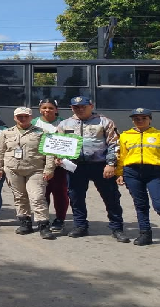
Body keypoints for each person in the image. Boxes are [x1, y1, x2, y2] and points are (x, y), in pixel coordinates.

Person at [56, 96, 128, 242]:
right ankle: (80, 226)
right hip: (75, 166)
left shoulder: (104, 122)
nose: (80, 109)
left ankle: (117, 228)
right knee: (75, 197)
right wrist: (59, 157)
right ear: (71, 108)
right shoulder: (64, 124)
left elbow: (114, 144)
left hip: (100, 165)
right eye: (76, 107)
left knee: (111, 197)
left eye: (83, 106)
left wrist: (111, 164)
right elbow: (59, 143)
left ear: (91, 106)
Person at [116, 108, 160, 252]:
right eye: (136, 118)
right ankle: (145, 235)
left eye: (143, 118)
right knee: (140, 205)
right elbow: (121, 156)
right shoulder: (124, 136)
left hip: (155, 173)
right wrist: (119, 173)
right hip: (132, 173)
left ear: (150, 119)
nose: (140, 121)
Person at [0, 107, 56, 240]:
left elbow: (49, 152)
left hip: (35, 169)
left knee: (37, 197)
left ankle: (43, 225)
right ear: (15, 117)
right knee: (20, 197)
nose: (22, 119)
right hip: (13, 169)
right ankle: (25, 222)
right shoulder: (6, 133)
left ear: (31, 117)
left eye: (25, 116)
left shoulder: (42, 132)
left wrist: (49, 169)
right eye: (19, 116)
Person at [32, 98, 69, 232]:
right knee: (42, 193)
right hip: (39, 164)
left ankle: (60, 219)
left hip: (58, 165)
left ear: (56, 110)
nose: (47, 110)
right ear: (40, 109)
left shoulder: (64, 123)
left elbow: (69, 143)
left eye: (51, 108)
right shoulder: (34, 123)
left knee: (60, 193)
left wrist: (61, 157)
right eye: (44, 108)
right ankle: (44, 219)